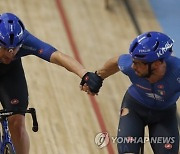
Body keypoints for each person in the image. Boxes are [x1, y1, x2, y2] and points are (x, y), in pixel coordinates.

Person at [0, 12, 92, 154]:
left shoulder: (26, 40)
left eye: (14, 49)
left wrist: (84, 74)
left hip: (10, 74)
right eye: (5, 49)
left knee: (17, 122)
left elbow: (57, 56)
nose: (10, 54)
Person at [80, 31, 180, 153]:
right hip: (134, 109)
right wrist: (97, 77)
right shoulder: (129, 66)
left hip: (164, 116)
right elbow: (117, 61)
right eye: (133, 61)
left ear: (157, 63)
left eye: (138, 63)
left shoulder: (177, 72)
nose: (133, 66)